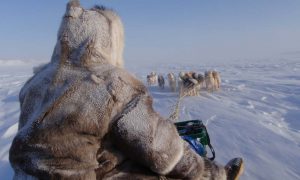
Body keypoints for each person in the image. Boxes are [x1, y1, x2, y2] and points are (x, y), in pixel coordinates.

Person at [9, 1, 243, 179]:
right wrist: (211, 172)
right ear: (109, 41)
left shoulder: (35, 83)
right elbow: (161, 149)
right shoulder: (112, 84)